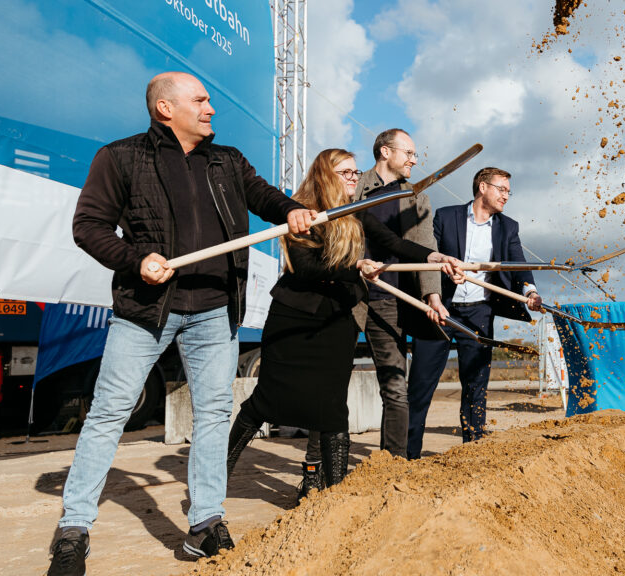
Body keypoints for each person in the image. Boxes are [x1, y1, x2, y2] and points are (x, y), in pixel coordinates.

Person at [46, 72, 316, 576]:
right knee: (109, 414)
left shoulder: (227, 161)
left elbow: (265, 197)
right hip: (148, 309)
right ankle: (74, 529)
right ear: (166, 108)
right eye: (201, 100)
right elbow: (89, 226)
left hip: (215, 310)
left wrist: (293, 211)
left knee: (214, 413)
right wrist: (134, 258)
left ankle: (206, 523)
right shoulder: (121, 157)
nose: (211, 108)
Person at [224, 149, 462, 500]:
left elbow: (393, 243)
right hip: (295, 317)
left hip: (338, 320)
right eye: (346, 173)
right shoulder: (300, 210)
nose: (354, 178)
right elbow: (304, 266)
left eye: (355, 172)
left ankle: (333, 499)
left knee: (332, 407)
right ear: (325, 174)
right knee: (265, 400)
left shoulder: (356, 213)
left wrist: (433, 258)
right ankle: (218, 476)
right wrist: (356, 268)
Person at [293, 129, 445, 496]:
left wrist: (433, 295)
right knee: (330, 383)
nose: (413, 160)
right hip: (345, 292)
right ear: (385, 151)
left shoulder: (415, 197)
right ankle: (315, 472)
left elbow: (420, 245)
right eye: (407, 153)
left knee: (395, 384)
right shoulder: (351, 182)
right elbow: (316, 216)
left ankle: (391, 469)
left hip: (388, 297)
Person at [405, 167, 542, 459]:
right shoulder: (446, 216)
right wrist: (440, 283)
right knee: (421, 384)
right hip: (440, 309)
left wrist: (529, 292)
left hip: (480, 313)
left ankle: (473, 454)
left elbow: (518, 265)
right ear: (482, 187)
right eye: (501, 189)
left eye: (508, 190)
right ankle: (408, 455)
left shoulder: (508, 226)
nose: (506, 195)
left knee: (476, 386)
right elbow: (429, 258)